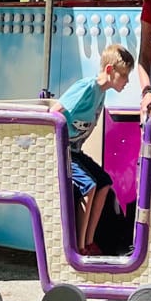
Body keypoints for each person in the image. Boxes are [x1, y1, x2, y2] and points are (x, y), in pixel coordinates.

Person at [58, 43, 134, 253]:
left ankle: (90, 240)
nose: (127, 81)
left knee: (104, 182)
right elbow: (55, 111)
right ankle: (79, 247)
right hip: (63, 150)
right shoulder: (87, 88)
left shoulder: (102, 93)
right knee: (88, 185)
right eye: (124, 75)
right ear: (109, 70)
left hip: (74, 151)